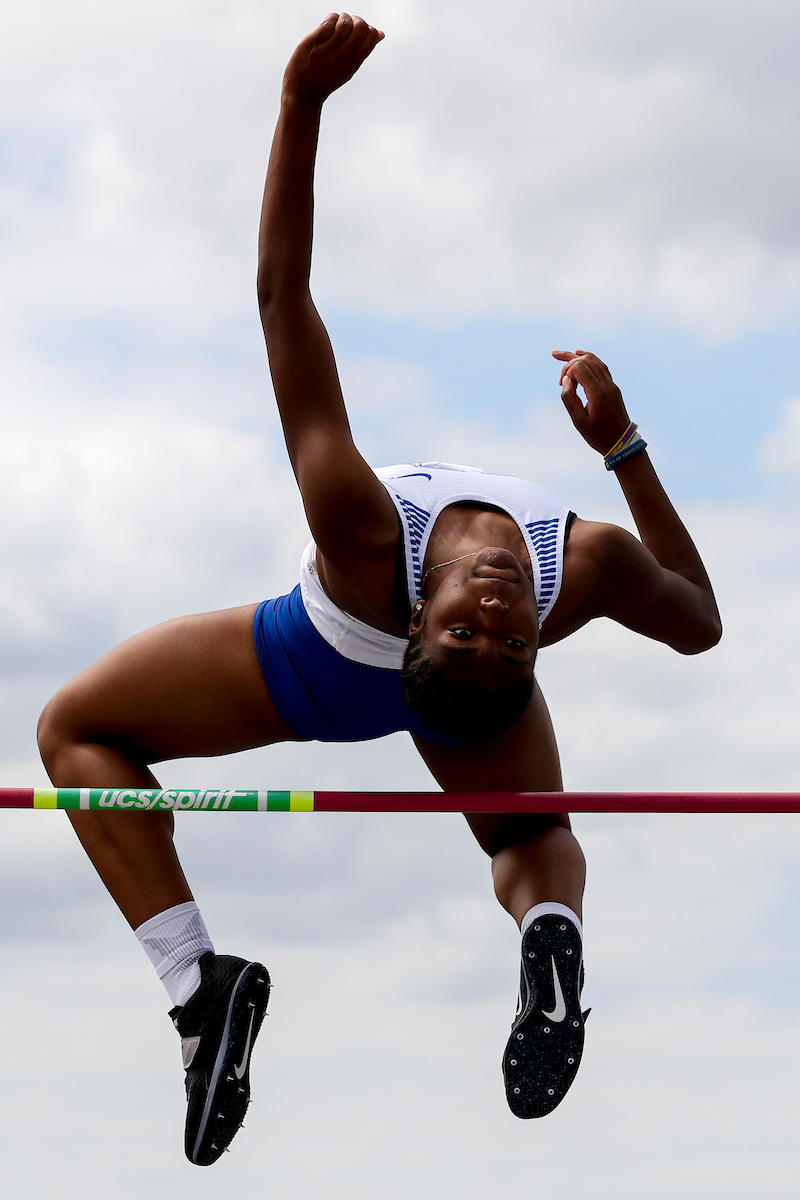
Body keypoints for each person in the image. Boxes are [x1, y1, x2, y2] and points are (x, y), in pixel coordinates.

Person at [37, 12, 722, 1168]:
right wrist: (624, 452)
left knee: (74, 729)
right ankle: (250, 978)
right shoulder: (576, 571)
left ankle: (227, 989)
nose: (500, 614)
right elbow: (695, 620)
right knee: (527, 832)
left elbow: (281, 302)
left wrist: (297, 106)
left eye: (483, 630)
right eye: (502, 635)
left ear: (423, 618)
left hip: (324, 659)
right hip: (382, 681)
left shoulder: (364, 534)